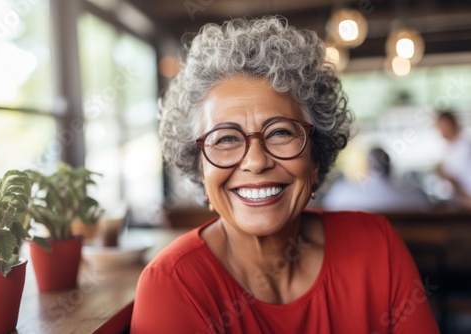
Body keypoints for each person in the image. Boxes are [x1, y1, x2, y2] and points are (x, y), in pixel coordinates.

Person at [130, 16, 439, 333]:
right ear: (199, 167)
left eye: (279, 133)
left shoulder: (376, 247)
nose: (256, 162)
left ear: (315, 159)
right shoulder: (171, 285)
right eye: (226, 139)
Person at [322, 147, 432, 212]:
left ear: (368, 166)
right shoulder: (414, 195)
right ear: (390, 166)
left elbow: (328, 205)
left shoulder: (343, 193)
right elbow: (426, 204)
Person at [436, 110, 471, 209]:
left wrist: (445, 175)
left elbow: (461, 180)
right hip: (458, 202)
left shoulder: (465, 147)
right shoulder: (449, 148)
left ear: (449, 124)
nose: (438, 130)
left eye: (440, 126)